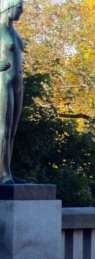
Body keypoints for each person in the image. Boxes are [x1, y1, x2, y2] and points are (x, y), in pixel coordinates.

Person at [0, 0, 24, 184]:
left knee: (12, 131)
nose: (22, 11)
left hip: (17, 84)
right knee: (3, 129)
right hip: (3, 82)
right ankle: (3, 174)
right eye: (19, 7)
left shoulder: (14, 32)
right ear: (10, 7)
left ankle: (8, 170)